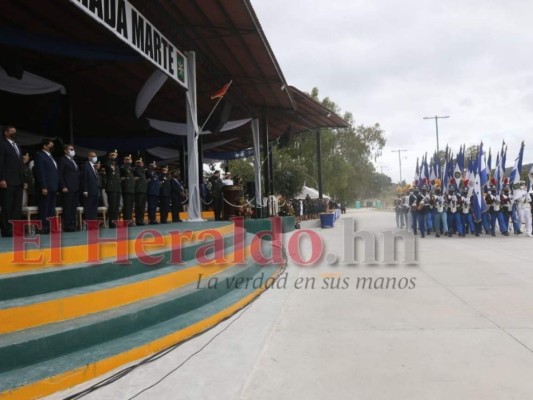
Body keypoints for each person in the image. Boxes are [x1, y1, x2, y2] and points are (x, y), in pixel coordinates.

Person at [0, 125, 24, 237]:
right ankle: (7, 230)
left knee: (17, 207)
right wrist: (2, 178)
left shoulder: (17, 145)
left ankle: (16, 229)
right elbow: (1, 163)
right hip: (8, 181)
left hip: (18, 181)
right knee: (7, 206)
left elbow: (20, 164)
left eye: (15, 131)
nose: (14, 133)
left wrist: (23, 179)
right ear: (5, 133)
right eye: (11, 131)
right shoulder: (2, 144)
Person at [33, 138, 59, 234]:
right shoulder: (40, 155)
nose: (52, 147)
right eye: (50, 145)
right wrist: (43, 186)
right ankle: (42, 227)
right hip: (46, 187)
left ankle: (50, 227)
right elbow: (41, 172)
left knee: (51, 208)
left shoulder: (51, 156)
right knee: (44, 208)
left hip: (53, 186)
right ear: (44, 146)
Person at [58, 144, 80, 232]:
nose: (72, 151)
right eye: (71, 149)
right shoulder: (62, 160)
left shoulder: (73, 160)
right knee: (68, 207)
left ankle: (73, 224)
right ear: (65, 151)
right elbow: (60, 174)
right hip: (67, 187)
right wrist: (63, 186)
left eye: (73, 149)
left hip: (75, 187)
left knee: (73, 207)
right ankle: (67, 226)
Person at [80, 151, 101, 228]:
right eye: (93, 156)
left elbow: (96, 179)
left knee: (94, 209)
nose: (95, 157)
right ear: (89, 157)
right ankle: (89, 224)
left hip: (95, 190)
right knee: (89, 208)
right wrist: (85, 190)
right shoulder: (86, 165)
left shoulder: (94, 166)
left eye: (95, 156)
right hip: (89, 191)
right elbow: (84, 178)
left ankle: (94, 224)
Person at [103, 149, 121, 228]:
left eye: (115, 155)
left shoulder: (115, 164)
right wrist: (111, 158)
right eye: (113, 154)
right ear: (110, 155)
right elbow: (108, 166)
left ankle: (115, 221)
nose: (114, 156)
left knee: (116, 206)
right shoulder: (108, 162)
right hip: (111, 187)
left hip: (117, 187)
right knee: (112, 206)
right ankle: (112, 223)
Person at [120, 154, 135, 223]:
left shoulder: (131, 168)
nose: (128, 160)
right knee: (127, 205)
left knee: (130, 205)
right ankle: (126, 220)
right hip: (126, 188)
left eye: (129, 159)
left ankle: (130, 219)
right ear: (124, 161)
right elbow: (120, 177)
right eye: (127, 159)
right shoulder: (123, 167)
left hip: (131, 189)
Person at [133, 158, 147, 225]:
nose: (141, 163)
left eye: (141, 162)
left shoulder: (142, 170)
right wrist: (138, 166)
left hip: (143, 190)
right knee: (139, 206)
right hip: (138, 190)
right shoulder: (136, 169)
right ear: (137, 163)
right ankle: (138, 220)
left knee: (142, 206)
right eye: (139, 162)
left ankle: (141, 219)